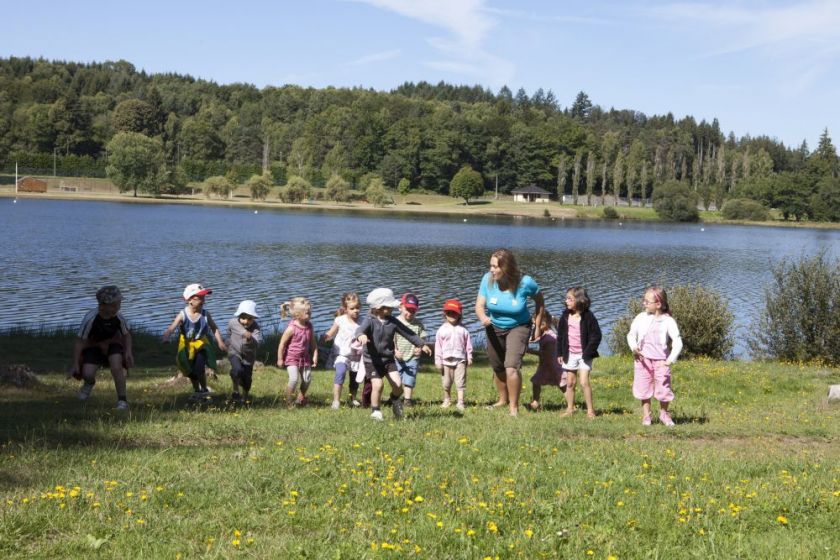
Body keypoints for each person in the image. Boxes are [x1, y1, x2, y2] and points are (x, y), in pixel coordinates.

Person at [475, 248, 545, 417]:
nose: (491, 270)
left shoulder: (525, 283)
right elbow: (479, 305)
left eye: (495, 267)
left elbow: (540, 302)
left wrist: (537, 324)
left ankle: (513, 408)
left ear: (506, 268)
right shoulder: (487, 279)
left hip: (519, 327)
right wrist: (483, 317)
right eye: (490, 266)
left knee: (511, 366)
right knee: (498, 365)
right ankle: (502, 399)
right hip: (493, 327)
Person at [355, 288, 432, 421]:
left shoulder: (393, 321)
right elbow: (359, 330)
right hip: (372, 361)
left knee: (398, 385)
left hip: (388, 360)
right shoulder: (369, 320)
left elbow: (408, 333)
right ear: (379, 308)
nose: (392, 309)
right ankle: (376, 411)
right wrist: (361, 336)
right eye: (389, 307)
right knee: (378, 385)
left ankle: (395, 400)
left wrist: (421, 344)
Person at [70, 285, 133, 410]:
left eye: (119, 304)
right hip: (94, 346)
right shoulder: (91, 318)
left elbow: (127, 335)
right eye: (115, 305)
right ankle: (88, 384)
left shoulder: (119, 317)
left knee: (116, 367)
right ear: (103, 305)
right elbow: (79, 341)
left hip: (114, 345)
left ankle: (122, 400)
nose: (118, 307)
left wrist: (128, 352)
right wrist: (76, 363)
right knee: (87, 373)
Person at [626, 286, 683, 427]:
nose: (644, 303)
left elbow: (677, 341)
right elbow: (631, 335)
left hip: (661, 362)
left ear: (658, 304)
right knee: (643, 388)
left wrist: (670, 360)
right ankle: (647, 416)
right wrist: (634, 348)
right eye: (643, 300)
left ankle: (664, 414)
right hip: (642, 360)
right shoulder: (641, 318)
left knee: (664, 388)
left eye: (647, 301)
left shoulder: (668, 321)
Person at [162, 283, 227, 401]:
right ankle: (197, 390)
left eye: (204, 297)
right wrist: (166, 336)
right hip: (186, 345)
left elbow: (214, 328)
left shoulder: (205, 314)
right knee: (189, 368)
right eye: (200, 297)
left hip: (201, 343)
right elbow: (172, 327)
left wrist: (220, 342)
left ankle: (204, 389)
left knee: (200, 367)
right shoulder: (183, 314)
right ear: (190, 300)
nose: (203, 300)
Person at [557, 287, 602, 418]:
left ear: (580, 300)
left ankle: (590, 411)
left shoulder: (588, 316)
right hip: (569, 354)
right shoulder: (565, 316)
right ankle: (570, 409)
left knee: (584, 382)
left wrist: (588, 352)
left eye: (569, 299)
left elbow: (596, 336)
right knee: (570, 382)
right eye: (566, 299)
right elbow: (560, 336)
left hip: (584, 355)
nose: (566, 301)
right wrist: (559, 353)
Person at [321, 292, 363, 409]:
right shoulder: (340, 320)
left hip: (356, 355)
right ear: (345, 309)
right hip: (341, 354)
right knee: (340, 373)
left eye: (358, 308)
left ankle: (352, 398)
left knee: (354, 380)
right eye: (352, 308)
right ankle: (336, 401)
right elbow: (331, 332)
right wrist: (326, 336)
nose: (356, 311)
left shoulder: (363, 321)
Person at [277, 297, 318, 406]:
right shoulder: (291, 328)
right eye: (306, 312)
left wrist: (315, 355)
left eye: (310, 312)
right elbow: (282, 344)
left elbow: (313, 343)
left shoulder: (309, 326)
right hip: (292, 358)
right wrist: (280, 359)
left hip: (305, 359)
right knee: (294, 379)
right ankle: (288, 401)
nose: (309, 314)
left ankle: (301, 397)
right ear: (297, 315)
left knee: (307, 380)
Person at [434, 299, 473, 412]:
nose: (451, 315)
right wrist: (438, 360)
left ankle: (460, 402)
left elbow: (468, 345)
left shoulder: (464, 330)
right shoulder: (441, 330)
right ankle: (447, 399)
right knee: (446, 382)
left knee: (460, 381)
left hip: (460, 359)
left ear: (459, 315)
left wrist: (469, 356)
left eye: (454, 313)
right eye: (449, 313)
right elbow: (438, 347)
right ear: (444, 314)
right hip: (446, 361)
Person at [527, 310, 566, 411]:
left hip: (553, 365)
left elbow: (545, 354)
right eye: (534, 325)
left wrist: (530, 351)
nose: (535, 327)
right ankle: (535, 401)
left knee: (561, 384)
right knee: (536, 382)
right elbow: (535, 339)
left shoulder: (550, 338)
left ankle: (571, 403)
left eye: (538, 325)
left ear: (545, 324)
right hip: (545, 365)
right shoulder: (545, 333)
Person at [226, 300, 263, 403]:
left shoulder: (255, 328)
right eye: (243, 318)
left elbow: (257, 343)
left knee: (247, 381)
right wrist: (228, 343)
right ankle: (235, 390)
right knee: (237, 370)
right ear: (239, 316)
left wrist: (250, 339)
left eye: (249, 319)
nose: (246, 321)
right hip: (234, 352)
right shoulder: (233, 322)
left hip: (248, 356)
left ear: (254, 318)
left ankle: (245, 398)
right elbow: (229, 332)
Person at [394, 293, 427, 407]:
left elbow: (422, 338)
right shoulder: (395, 322)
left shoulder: (418, 324)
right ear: (400, 307)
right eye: (407, 309)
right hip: (397, 357)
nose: (409, 313)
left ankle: (407, 400)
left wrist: (419, 348)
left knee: (410, 379)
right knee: (397, 380)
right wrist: (395, 351)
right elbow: (391, 339)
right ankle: (395, 397)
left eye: (413, 311)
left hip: (412, 357)